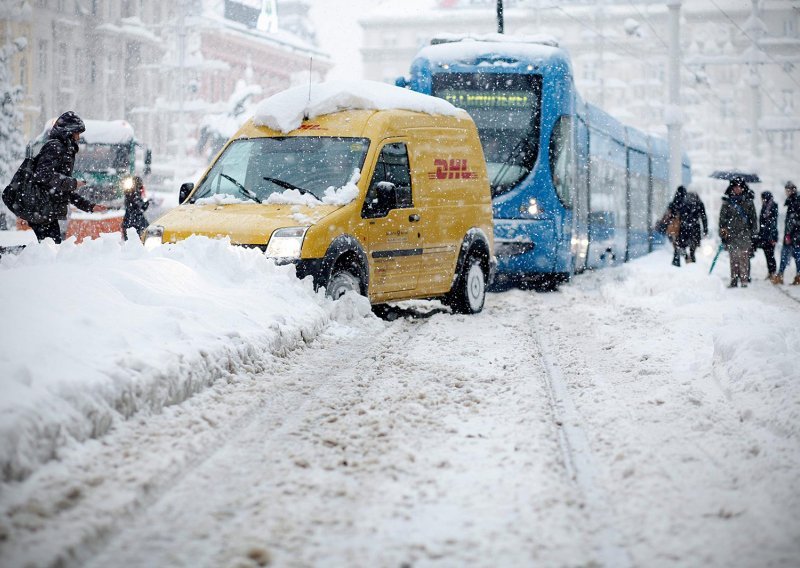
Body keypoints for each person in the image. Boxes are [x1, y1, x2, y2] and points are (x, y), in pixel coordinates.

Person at [30, 111, 107, 243]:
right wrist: (72, 183)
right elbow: (42, 175)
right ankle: (9, 256)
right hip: (41, 208)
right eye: (76, 133)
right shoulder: (55, 147)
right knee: (48, 250)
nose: (78, 137)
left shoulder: (63, 150)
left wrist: (89, 206)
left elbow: (63, 190)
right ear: (68, 132)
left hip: (46, 210)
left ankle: (12, 256)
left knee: (48, 248)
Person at [719, 178, 757, 288]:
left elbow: (753, 219)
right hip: (731, 235)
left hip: (745, 234)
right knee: (733, 259)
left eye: (739, 187)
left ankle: (744, 280)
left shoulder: (748, 202)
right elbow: (722, 221)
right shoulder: (727, 202)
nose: (737, 189)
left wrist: (754, 234)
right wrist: (723, 233)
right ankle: (734, 280)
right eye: (735, 187)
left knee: (744, 258)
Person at [667, 186, 708, 266]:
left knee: (680, 246)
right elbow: (703, 217)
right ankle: (690, 259)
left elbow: (673, 214)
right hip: (694, 228)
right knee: (692, 246)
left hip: (683, 228)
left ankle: (682, 259)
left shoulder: (681, 202)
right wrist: (705, 229)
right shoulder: (698, 203)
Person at [771, 180, 800, 285]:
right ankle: (787, 275)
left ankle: (781, 276)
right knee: (795, 256)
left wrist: (789, 234)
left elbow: (793, 221)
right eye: (786, 190)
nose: (786, 192)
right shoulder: (793, 201)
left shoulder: (795, 201)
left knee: (790, 256)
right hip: (794, 235)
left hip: (794, 235)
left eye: (788, 190)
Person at [755, 190, 779, 279]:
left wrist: (772, 237)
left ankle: (773, 272)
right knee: (767, 254)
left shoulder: (772, 207)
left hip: (770, 236)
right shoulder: (765, 207)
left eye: (762, 198)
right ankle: (770, 272)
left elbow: (773, 224)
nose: (761, 200)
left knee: (770, 255)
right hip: (764, 235)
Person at [122, 175, 150, 239]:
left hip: (129, 221)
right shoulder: (134, 194)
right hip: (136, 222)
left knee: (129, 242)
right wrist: (146, 203)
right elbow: (140, 206)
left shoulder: (129, 193)